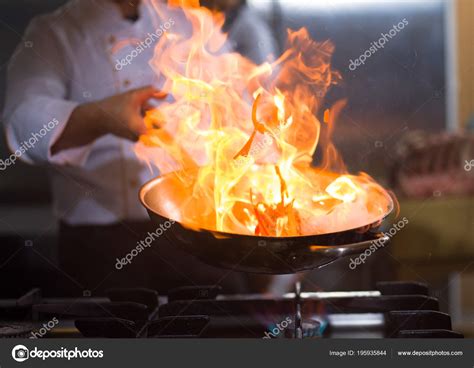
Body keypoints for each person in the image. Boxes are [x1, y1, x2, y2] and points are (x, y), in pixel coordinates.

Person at [2, 0, 277, 296]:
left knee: (223, 331)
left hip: (195, 233)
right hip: (98, 245)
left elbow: (244, 113)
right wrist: (100, 117)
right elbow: (22, 123)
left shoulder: (188, 20)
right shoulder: (53, 32)